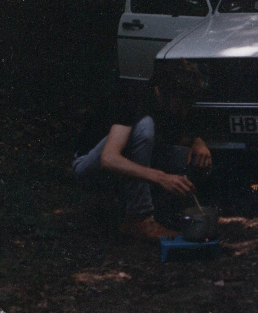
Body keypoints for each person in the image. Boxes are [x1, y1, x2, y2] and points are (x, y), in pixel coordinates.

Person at [72, 60, 212, 240]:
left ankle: (175, 210)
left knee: (193, 158)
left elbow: (179, 137)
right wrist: (162, 177)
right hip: (88, 166)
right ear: (167, 93)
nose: (185, 111)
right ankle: (138, 218)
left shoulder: (171, 102)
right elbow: (108, 158)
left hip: (133, 159)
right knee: (145, 126)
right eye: (183, 104)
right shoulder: (133, 98)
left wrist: (198, 141)